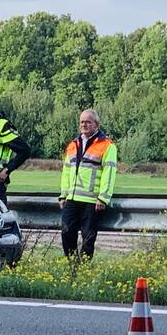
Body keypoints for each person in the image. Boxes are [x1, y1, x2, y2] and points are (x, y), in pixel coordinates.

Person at [59, 108, 117, 258]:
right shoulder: (73, 145)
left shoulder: (107, 145)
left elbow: (109, 172)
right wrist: (63, 195)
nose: (84, 125)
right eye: (82, 122)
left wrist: (103, 197)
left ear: (96, 124)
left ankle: (84, 269)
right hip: (71, 199)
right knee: (66, 232)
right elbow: (66, 172)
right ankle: (72, 267)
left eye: (88, 122)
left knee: (88, 239)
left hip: (92, 201)